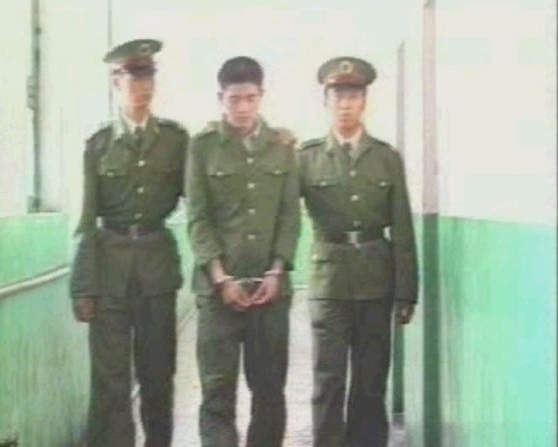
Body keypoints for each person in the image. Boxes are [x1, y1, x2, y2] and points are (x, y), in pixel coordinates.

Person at [70, 38, 188, 447]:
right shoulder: (99, 144)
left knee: (159, 376)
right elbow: (85, 219)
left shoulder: (175, 140)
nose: (143, 86)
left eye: (148, 76)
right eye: (134, 77)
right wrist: (83, 287)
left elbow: (202, 196)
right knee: (111, 382)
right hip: (110, 274)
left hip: (157, 271)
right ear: (116, 82)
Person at [297, 56, 418, 447]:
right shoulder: (306, 157)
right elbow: (278, 211)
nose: (345, 104)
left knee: (370, 382)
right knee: (328, 380)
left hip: (375, 282)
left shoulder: (386, 158)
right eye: (338, 96)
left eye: (352, 96)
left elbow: (402, 226)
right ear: (325, 102)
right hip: (328, 282)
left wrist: (406, 292)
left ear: (364, 101)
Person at [185, 56, 301, 447]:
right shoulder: (202, 147)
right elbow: (198, 218)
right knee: (217, 392)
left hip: (270, 292)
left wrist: (277, 270)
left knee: (269, 391)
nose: (243, 107)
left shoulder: (282, 147)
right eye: (234, 99)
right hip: (217, 293)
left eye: (250, 98)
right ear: (221, 97)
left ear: (261, 96)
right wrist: (221, 278)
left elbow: (289, 214)